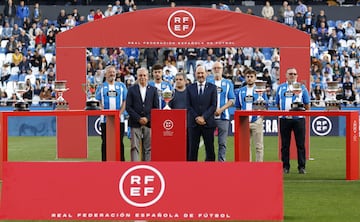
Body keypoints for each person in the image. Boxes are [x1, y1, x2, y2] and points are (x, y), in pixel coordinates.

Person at [275, 67, 310, 174]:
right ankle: (285, 166)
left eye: (295, 74)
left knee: (300, 144)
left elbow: (307, 103)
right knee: (285, 145)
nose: (292, 76)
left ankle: (302, 167)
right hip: (285, 119)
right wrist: (284, 112)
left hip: (298, 119)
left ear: (297, 76)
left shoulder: (302, 87)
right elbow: (277, 103)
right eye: (290, 74)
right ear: (286, 75)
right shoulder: (280, 88)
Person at [95, 65, 127, 161]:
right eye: (109, 72)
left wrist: (119, 114)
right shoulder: (101, 87)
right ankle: (105, 163)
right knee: (105, 142)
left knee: (119, 142)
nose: (112, 74)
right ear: (105, 74)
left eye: (113, 72)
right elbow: (98, 102)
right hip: (105, 120)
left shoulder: (121, 86)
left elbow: (125, 101)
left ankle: (121, 163)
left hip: (119, 119)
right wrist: (105, 113)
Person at [126, 67, 159, 161]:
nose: (142, 77)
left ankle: (147, 167)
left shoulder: (153, 90)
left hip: (149, 124)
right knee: (134, 147)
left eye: (144, 75)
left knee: (148, 148)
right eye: (140, 75)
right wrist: (139, 118)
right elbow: (128, 107)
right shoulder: (131, 90)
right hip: (135, 123)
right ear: (137, 76)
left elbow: (156, 108)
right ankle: (135, 167)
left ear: (148, 76)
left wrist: (147, 119)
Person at [235, 69, 268, 162]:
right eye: (248, 77)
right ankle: (247, 167)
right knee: (245, 147)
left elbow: (265, 106)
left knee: (259, 146)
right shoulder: (240, 91)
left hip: (256, 121)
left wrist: (260, 119)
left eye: (251, 76)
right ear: (245, 78)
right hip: (244, 122)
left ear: (255, 78)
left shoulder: (260, 90)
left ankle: (259, 167)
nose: (249, 78)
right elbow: (238, 107)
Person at [186, 65, 217, 161]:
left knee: (210, 150)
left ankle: (210, 172)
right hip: (193, 124)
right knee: (192, 150)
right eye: (198, 73)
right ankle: (191, 172)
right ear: (195, 74)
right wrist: (197, 118)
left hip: (208, 123)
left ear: (206, 74)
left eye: (202, 73)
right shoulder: (189, 88)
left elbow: (213, 105)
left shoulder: (212, 88)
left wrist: (204, 117)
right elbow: (188, 105)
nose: (200, 75)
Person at [207, 61, 235, 162]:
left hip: (223, 117)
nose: (217, 70)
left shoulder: (228, 83)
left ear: (222, 69)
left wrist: (221, 109)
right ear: (212, 70)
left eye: (219, 68)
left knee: (222, 143)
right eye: (215, 68)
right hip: (209, 117)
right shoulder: (208, 82)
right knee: (209, 142)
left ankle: (221, 163)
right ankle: (209, 162)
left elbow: (232, 100)